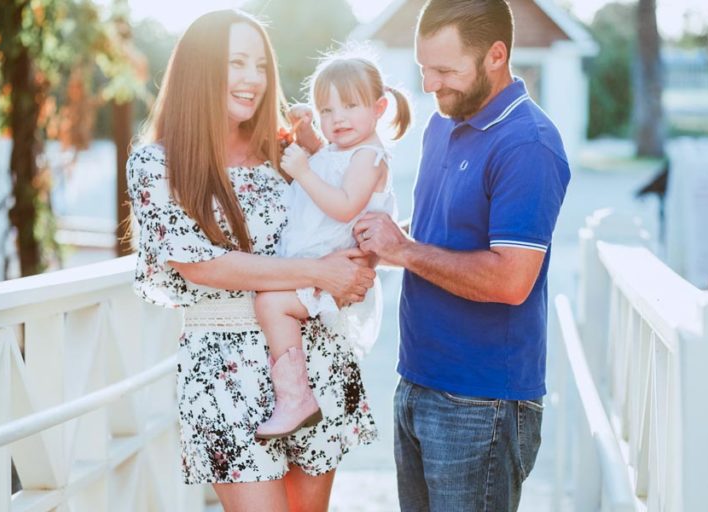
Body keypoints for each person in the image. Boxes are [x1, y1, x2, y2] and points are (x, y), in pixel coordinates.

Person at [126, 10, 378, 512]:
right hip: (223, 372)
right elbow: (202, 265)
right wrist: (321, 271)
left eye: (260, 65)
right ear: (200, 70)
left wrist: (357, 262)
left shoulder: (285, 156)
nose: (253, 80)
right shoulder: (157, 164)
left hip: (315, 362)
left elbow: (348, 206)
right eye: (236, 63)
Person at [353, 1, 571, 510]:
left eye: (445, 70)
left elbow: (510, 278)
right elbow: (436, 238)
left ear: (497, 56)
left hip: (481, 403)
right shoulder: (442, 123)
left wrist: (403, 250)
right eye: (424, 68)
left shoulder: (528, 144)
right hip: (417, 381)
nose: (429, 85)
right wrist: (376, 246)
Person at [254, 55, 410, 440]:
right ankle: (295, 395)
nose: (337, 117)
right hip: (318, 263)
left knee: (270, 303)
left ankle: (295, 399)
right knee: (270, 301)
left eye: (350, 105)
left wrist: (302, 172)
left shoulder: (369, 158)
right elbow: (327, 157)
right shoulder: (345, 148)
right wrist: (309, 132)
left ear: (379, 108)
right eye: (327, 109)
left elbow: (343, 206)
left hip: (334, 269)